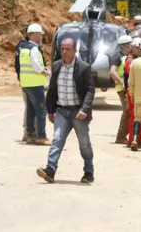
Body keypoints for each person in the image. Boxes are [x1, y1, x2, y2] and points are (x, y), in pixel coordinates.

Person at [36, 37, 96, 183]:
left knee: (84, 144)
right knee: (57, 139)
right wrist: (50, 110)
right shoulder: (56, 66)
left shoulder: (84, 67)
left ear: (74, 50)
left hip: (78, 113)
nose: (64, 51)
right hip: (61, 111)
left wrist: (84, 109)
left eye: (67, 49)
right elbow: (52, 90)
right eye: (62, 48)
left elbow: (90, 90)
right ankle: (50, 170)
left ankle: (88, 172)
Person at [19, 24, 51, 145]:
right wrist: (46, 72)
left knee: (31, 111)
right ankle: (41, 136)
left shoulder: (23, 48)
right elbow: (36, 66)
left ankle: (30, 135)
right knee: (41, 110)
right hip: (35, 83)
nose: (41, 37)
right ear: (36, 35)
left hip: (26, 83)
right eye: (40, 35)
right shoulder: (34, 49)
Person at [110, 35, 134, 144]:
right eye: (128, 44)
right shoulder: (117, 56)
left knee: (130, 111)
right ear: (123, 45)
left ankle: (127, 134)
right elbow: (112, 72)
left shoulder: (129, 56)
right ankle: (121, 136)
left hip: (128, 87)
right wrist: (122, 82)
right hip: (122, 88)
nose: (130, 45)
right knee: (127, 110)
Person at [125, 38, 141, 148]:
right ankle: (133, 139)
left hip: (140, 90)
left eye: (140, 48)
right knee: (135, 116)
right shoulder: (130, 61)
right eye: (137, 48)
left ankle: (139, 138)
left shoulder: (139, 60)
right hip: (133, 91)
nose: (139, 50)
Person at [14, 33, 31, 142]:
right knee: (31, 108)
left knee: (28, 107)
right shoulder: (30, 48)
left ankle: (27, 131)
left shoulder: (20, 47)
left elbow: (17, 65)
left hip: (24, 80)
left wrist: (20, 77)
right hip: (32, 82)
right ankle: (29, 132)